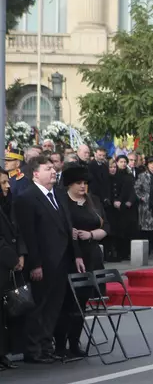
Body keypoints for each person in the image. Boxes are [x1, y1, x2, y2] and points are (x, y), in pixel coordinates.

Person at [15, 156, 85, 364]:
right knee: (38, 306)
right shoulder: (27, 198)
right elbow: (28, 235)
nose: (53, 171)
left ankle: (47, 345)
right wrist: (35, 264)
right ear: (35, 174)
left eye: (53, 168)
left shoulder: (59, 195)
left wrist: (76, 254)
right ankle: (33, 349)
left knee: (54, 306)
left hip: (62, 260)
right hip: (42, 262)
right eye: (48, 169)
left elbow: (68, 228)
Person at [61, 165, 109, 358]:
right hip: (71, 254)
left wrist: (91, 234)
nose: (83, 186)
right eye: (78, 183)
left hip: (91, 253)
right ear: (69, 184)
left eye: (85, 183)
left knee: (82, 301)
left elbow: (106, 226)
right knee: (67, 301)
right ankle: (60, 342)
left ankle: (74, 341)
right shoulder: (63, 201)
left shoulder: (93, 200)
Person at [0, 168, 26, 369]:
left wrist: (21, 254)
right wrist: (12, 259)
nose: (7, 186)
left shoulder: (9, 204)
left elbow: (17, 230)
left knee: (6, 312)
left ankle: (4, 352)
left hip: (9, 265)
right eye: (2, 182)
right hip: (4, 262)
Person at [109, 155, 137, 261]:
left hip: (129, 206)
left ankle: (127, 252)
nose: (123, 164)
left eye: (125, 162)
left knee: (129, 230)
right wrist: (116, 201)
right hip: (117, 207)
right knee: (118, 230)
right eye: (121, 162)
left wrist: (130, 201)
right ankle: (118, 252)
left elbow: (134, 190)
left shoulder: (129, 175)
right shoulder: (114, 176)